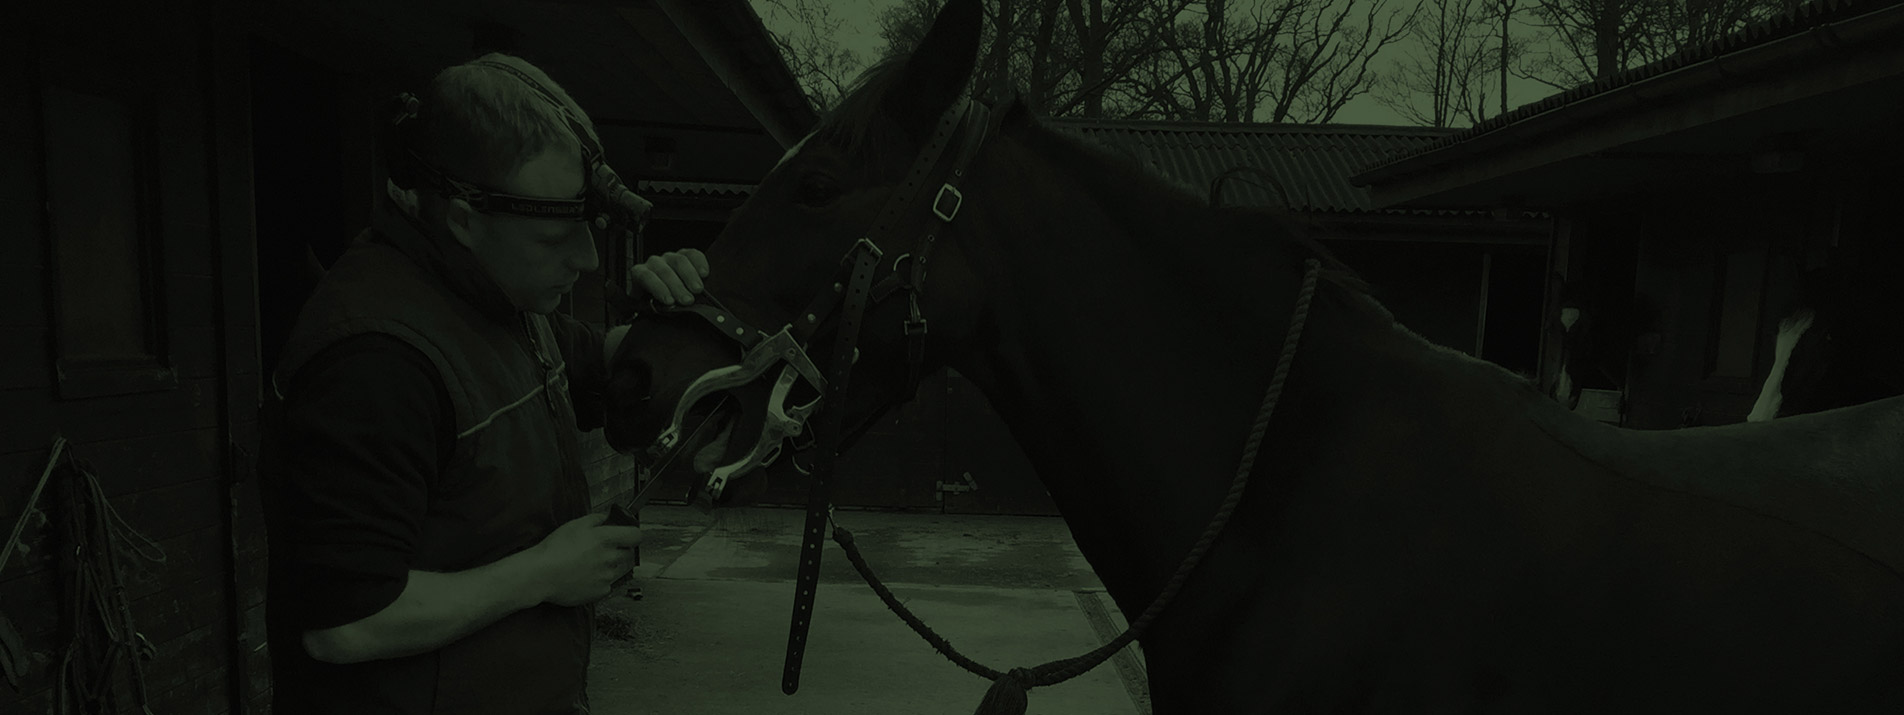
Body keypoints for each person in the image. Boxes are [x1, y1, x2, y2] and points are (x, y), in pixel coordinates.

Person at [260, 52, 705, 715]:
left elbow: (601, 366)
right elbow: (344, 625)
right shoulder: (376, 360)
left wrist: (677, 322)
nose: (587, 260)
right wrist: (544, 573)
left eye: (586, 230)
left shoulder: (496, 298)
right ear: (464, 219)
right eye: (554, 237)